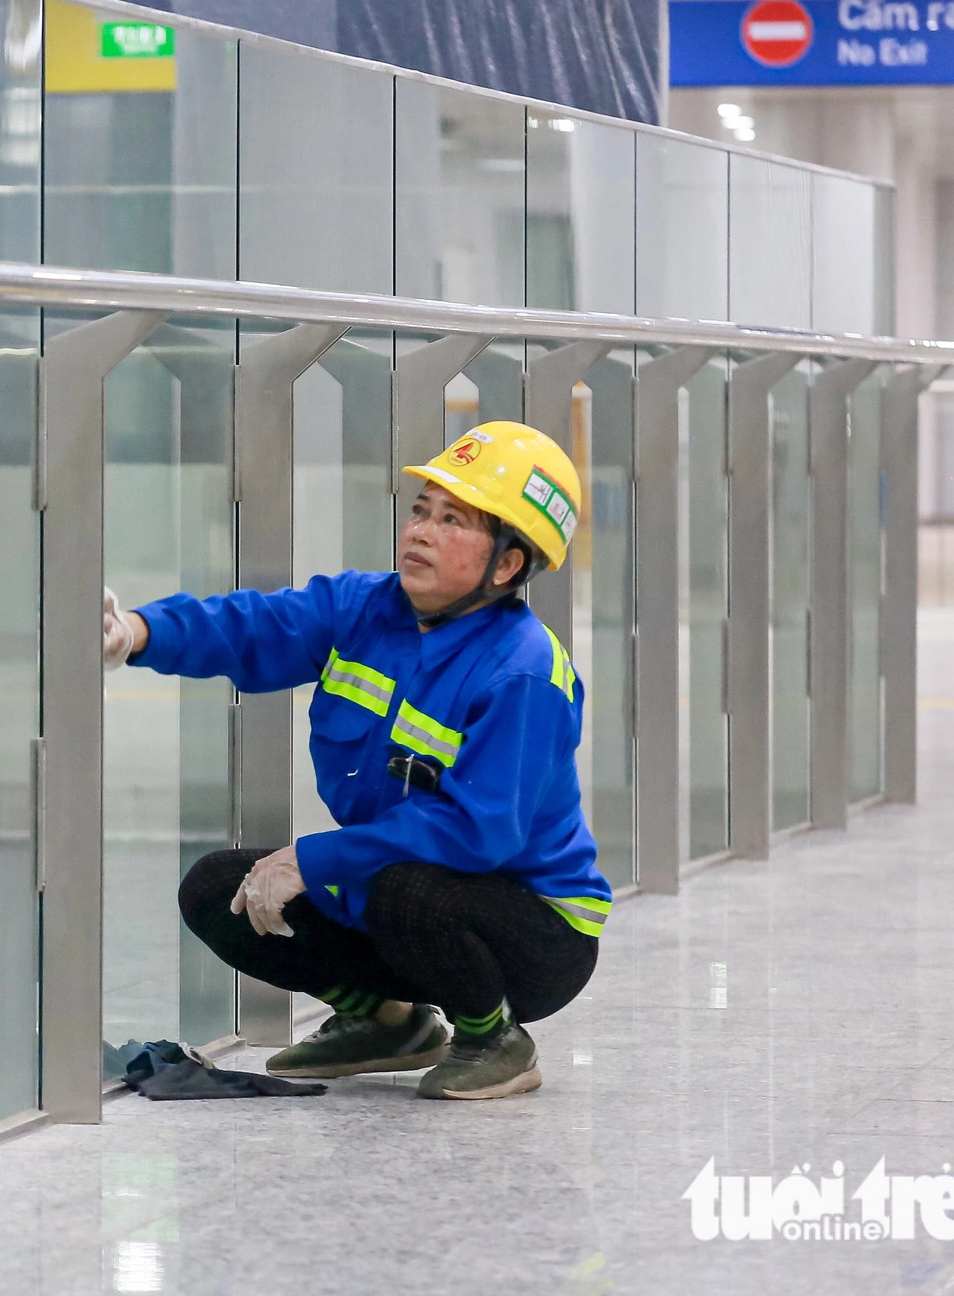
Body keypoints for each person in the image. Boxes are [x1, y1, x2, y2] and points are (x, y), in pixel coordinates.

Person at [102, 421, 611, 1100]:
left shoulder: (522, 671)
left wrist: (311, 859)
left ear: (509, 563)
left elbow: (475, 833)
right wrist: (137, 630)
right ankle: (387, 1020)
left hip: (532, 931)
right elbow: (254, 625)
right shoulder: (364, 608)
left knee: (407, 884)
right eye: (421, 510)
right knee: (219, 887)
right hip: (399, 895)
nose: (421, 531)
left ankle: (493, 1036)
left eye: (453, 519)